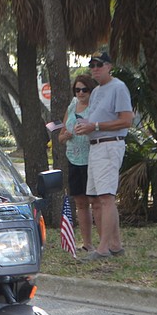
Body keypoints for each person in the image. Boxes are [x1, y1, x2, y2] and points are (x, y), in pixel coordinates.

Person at [74, 51, 133, 260]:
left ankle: (103, 248)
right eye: (92, 65)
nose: (95, 68)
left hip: (110, 146)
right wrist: (83, 126)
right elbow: (92, 118)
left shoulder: (118, 87)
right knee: (95, 198)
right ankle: (115, 245)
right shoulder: (97, 91)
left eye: (99, 64)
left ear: (109, 66)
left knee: (107, 197)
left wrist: (96, 125)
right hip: (95, 147)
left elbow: (127, 120)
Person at [58, 75, 99, 251]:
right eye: (77, 90)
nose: (81, 93)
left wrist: (90, 129)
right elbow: (61, 135)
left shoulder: (97, 107)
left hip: (93, 157)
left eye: (84, 89)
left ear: (91, 90)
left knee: (96, 201)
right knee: (80, 202)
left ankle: (105, 242)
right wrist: (64, 135)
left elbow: (103, 128)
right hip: (74, 159)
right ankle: (87, 243)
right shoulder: (72, 106)